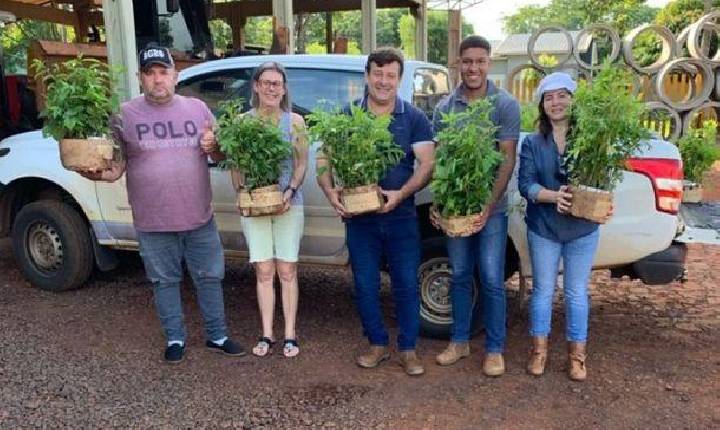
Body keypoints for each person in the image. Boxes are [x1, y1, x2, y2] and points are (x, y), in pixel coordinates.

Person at [82, 45, 244, 364]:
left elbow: (220, 156)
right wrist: (99, 174)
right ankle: (175, 337)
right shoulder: (124, 116)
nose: (158, 80)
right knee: (164, 281)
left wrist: (217, 147)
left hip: (198, 217)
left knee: (210, 276)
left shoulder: (198, 110)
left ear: (175, 75)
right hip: (153, 222)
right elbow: (116, 166)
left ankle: (217, 335)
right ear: (141, 78)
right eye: (150, 73)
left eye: (163, 72)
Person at [317, 47, 435, 376]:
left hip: (401, 218)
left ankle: (408, 349)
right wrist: (331, 191)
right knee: (366, 284)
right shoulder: (347, 116)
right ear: (367, 76)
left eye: (391, 75)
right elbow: (323, 159)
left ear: (399, 79)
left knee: (406, 284)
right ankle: (377, 344)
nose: (384, 81)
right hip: (360, 220)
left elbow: (427, 164)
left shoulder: (413, 117)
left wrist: (403, 193)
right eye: (378, 74)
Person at [431, 35, 520, 377]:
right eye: (467, 61)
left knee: (492, 277)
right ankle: (459, 341)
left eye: (480, 61)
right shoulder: (444, 108)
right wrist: (439, 203)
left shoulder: (504, 104)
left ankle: (495, 349)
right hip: (456, 208)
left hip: (492, 210)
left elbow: (506, 160)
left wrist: (488, 204)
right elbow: (440, 160)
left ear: (488, 63)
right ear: (458, 63)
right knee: (459, 274)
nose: (473, 68)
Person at [518, 72, 613, 381]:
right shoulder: (533, 142)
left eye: (562, 96)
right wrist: (550, 196)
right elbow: (525, 185)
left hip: (582, 229)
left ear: (573, 100)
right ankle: (539, 352)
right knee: (543, 291)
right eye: (549, 97)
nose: (555, 102)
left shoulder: (592, 140)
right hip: (544, 227)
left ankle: (577, 358)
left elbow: (603, 182)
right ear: (542, 105)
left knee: (575, 292)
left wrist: (606, 204)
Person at [238, 62, 308, 358]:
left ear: (283, 88)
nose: (270, 88)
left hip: (288, 204)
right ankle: (267, 333)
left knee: (287, 269)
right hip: (255, 205)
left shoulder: (295, 122)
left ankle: (290, 334)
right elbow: (237, 166)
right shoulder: (242, 123)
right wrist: (242, 193)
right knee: (264, 270)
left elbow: (301, 162)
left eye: (276, 83)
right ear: (256, 86)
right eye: (265, 82)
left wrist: (290, 190)